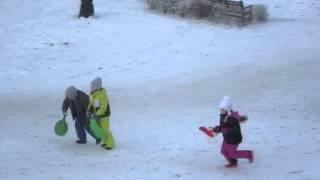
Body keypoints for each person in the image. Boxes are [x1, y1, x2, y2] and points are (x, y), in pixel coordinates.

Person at [212, 96, 254, 168]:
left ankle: (248, 154)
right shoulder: (223, 116)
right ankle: (233, 162)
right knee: (223, 152)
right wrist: (217, 129)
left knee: (233, 154)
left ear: (228, 110)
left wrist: (223, 130)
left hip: (234, 139)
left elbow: (234, 130)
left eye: (223, 109)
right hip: (227, 138)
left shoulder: (232, 119)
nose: (221, 111)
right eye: (221, 109)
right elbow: (223, 126)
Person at [88, 77, 115, 150]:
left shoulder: (102, 95)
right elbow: (91, 104)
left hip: (104, 115)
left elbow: (103, 107)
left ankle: (110, 143)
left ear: (97, 87)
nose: (91, 88)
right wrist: (89, 111)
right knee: (100, 129)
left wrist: (97, 114)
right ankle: (105, 142)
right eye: (91, 86)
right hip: (96, 115)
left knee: (105, 129)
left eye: (92, 86)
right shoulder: (92, 95)